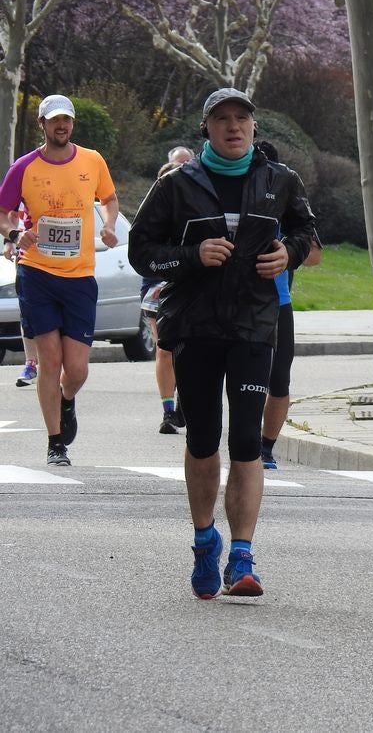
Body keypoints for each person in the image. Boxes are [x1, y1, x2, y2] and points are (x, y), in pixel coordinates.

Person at [129, 88, 316, 599]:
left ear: (254, 127)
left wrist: (288, 254)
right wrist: (192, 255)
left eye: (242, 118)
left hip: (255, 324)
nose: (233, 127)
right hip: (193, 326)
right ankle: (204, 540)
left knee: (247, 443)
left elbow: (304, 230)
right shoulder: (175, 185)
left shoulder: (279, 180)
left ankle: (242, 554)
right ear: (206, 129)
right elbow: (142, 252)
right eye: (222, 119)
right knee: (204, 438)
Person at [0, 94, 119, 466]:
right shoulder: (23, 167)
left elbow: (109, 198)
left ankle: (67, 400)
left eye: (66, 120)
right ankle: (55, 443)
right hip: (37, 273)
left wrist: (111, 225)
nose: (61, 126)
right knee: (50, 360)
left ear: (72, 124)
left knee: (78, 368)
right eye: (54, 121)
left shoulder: (92, 160)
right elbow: (4, 213)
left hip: (80, 276)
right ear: (42, 125)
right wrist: (15, 235)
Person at [261, 228, 322, 469]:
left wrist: (286, 249)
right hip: (229, 300)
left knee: (279, 379)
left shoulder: (285, 201)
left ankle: (265, 448)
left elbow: (314, 255)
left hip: (277, 302)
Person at [142, 160, 187, 434]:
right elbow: (144, 256)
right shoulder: (153, 216)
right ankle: (168, 412)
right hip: (158, 292)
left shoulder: (199, 211)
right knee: (165, 348)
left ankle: (186, 401)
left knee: (192, 352)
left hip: (193, 291)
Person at [3, 202, 38, 387]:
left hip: (61, 263)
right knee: (27, 312)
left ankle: (59, 365)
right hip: (27, 259)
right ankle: (30, 364)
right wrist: (9, 241)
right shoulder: (22, 177)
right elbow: (8, 214)